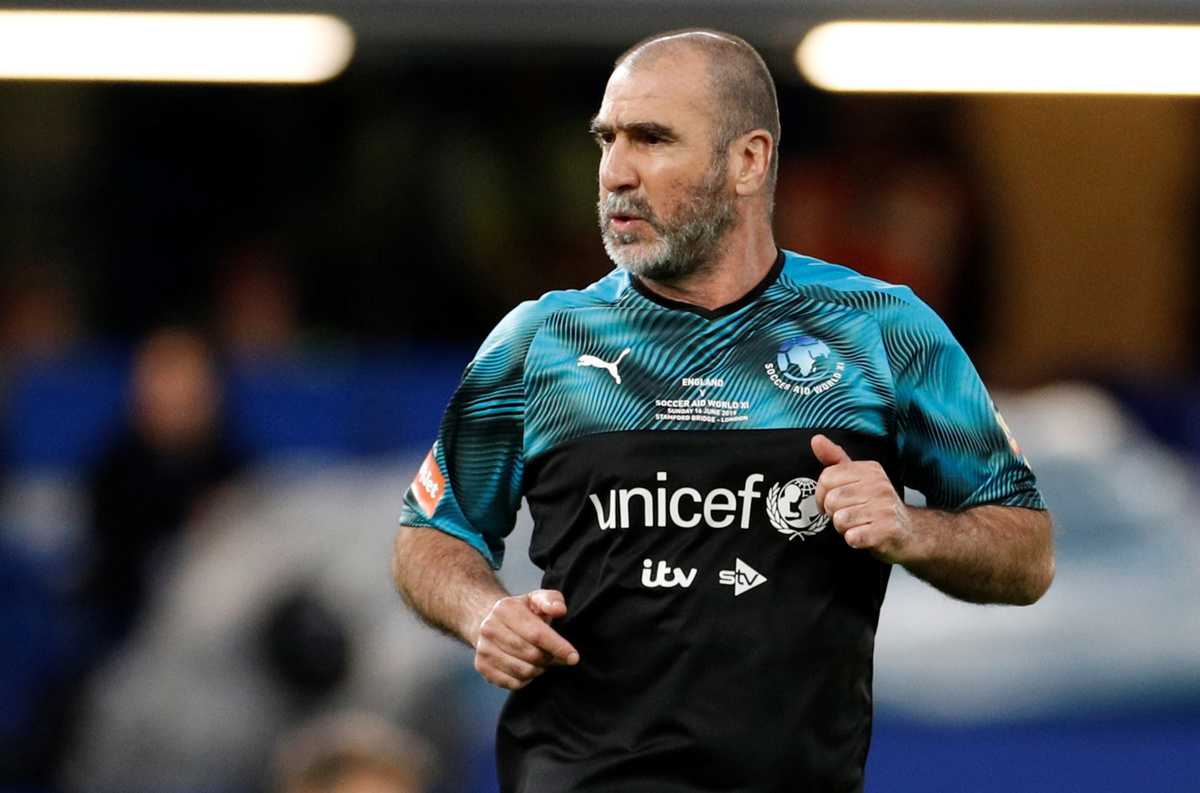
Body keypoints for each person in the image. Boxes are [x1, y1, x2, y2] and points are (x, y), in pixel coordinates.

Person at [390, 28, 1054, 793]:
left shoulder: (882, 331)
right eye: (607, 140)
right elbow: (429, 535)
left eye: (652, 139)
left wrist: (912, 528)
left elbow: (1027, 550)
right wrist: (482, 610)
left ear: (749, 161)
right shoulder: (541, 341)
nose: (616, 172)